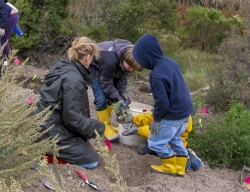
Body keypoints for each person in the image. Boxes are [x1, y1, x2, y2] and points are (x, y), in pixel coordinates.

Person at [35, 37, 105, 169]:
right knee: (92, 160)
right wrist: (99, 127)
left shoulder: (63, 66)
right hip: (51, 130)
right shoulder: (74, 81)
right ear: (88, 57)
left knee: (84, 146)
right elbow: (73, 120)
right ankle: (47, 156)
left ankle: (45, 148)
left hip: (44, 123)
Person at [132, 33, 195, 177]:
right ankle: (180, 167)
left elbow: (163, 103)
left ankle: (169, 166)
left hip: (172, 115)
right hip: (185, 112)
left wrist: (156, 119)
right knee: (175, 139)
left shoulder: (156, 75)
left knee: (156, 142)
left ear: (146, 57)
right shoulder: (171, 62)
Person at [86, 39, 144, 141]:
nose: (131, 70)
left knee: (113, 95)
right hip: (94, 66)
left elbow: (122, 78)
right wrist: (117, 97)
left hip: (109, 67)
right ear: (124, 59)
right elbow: (106, 83)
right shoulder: (110, 60)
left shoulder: (131, 55)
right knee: (101, 97)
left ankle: (107, 124)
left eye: (133, 69)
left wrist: (123, 92)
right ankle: (104, 126)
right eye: (130, 67)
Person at [122, 113, 204, 171]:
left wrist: (138, 130)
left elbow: (163, 134)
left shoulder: (180, 114)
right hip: (161, 145)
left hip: (173, 147)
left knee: (185, 166)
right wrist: (133, 119)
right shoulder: (167, 107)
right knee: (142, 148)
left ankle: (189, 155)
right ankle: (164, 158)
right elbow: (151, 118)